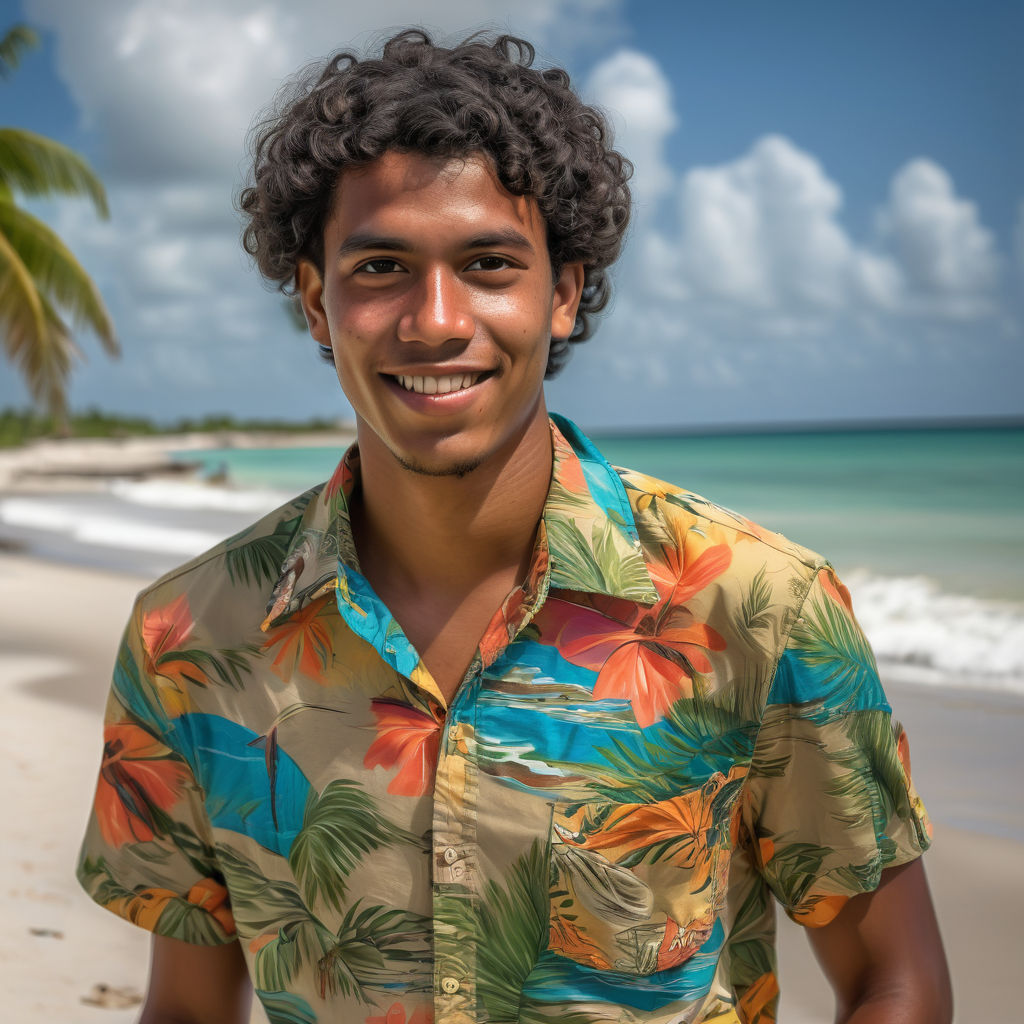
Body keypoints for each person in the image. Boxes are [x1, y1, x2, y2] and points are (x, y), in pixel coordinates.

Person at [77, 29, 952, 1024]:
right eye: (381, 267)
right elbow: (187, 1010)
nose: (436, 318)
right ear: (316, 302)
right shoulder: (189, 639)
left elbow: (895, 980)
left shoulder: (755, 605)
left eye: (489, 263)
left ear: (564, 293)